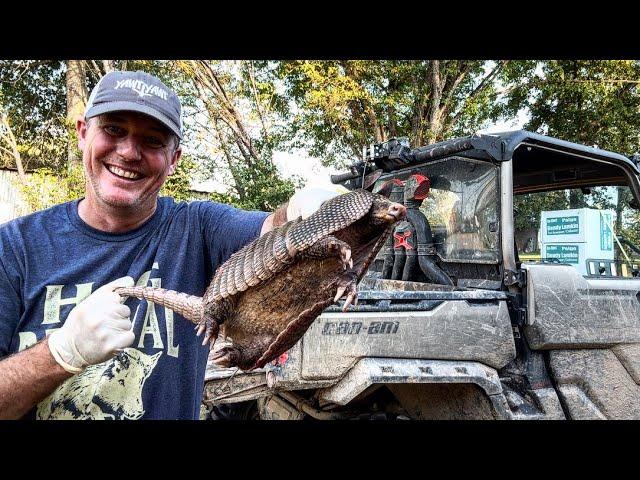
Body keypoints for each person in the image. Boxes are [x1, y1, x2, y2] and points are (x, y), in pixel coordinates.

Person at [0, 70, 340, 420]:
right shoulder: (14, 248)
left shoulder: (197, 229)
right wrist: (61, 353)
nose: (130, 152)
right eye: (114, 129)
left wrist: (307, 210)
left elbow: (274, 232)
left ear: (174, 159)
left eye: (153, 140)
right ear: (83, 133)